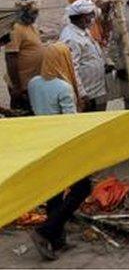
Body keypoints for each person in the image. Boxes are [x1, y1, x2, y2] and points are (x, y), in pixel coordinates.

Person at [27, 45, 90, 262]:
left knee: (54, 192)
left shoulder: (33, 83)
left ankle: (56, 238)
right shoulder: (63, 87)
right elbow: (69, 121)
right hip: (64, 145)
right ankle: (46, 231)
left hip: (44, 142)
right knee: (82, 188)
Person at [59, 0, 108, 111]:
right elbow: (72, 68)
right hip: (88, 93)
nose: (92, 19)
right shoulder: (71, 38)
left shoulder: (84, 31)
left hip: (97, 89)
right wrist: (82, 94)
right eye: (90, 15)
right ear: (82, 17)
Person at [4, 0, 43, 112]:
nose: (36, 16)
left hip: (32, 83)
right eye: (33, 13)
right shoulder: (15, 28)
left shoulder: (31, 25)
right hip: (22, 85)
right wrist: (17, 87)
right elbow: (11, 57)